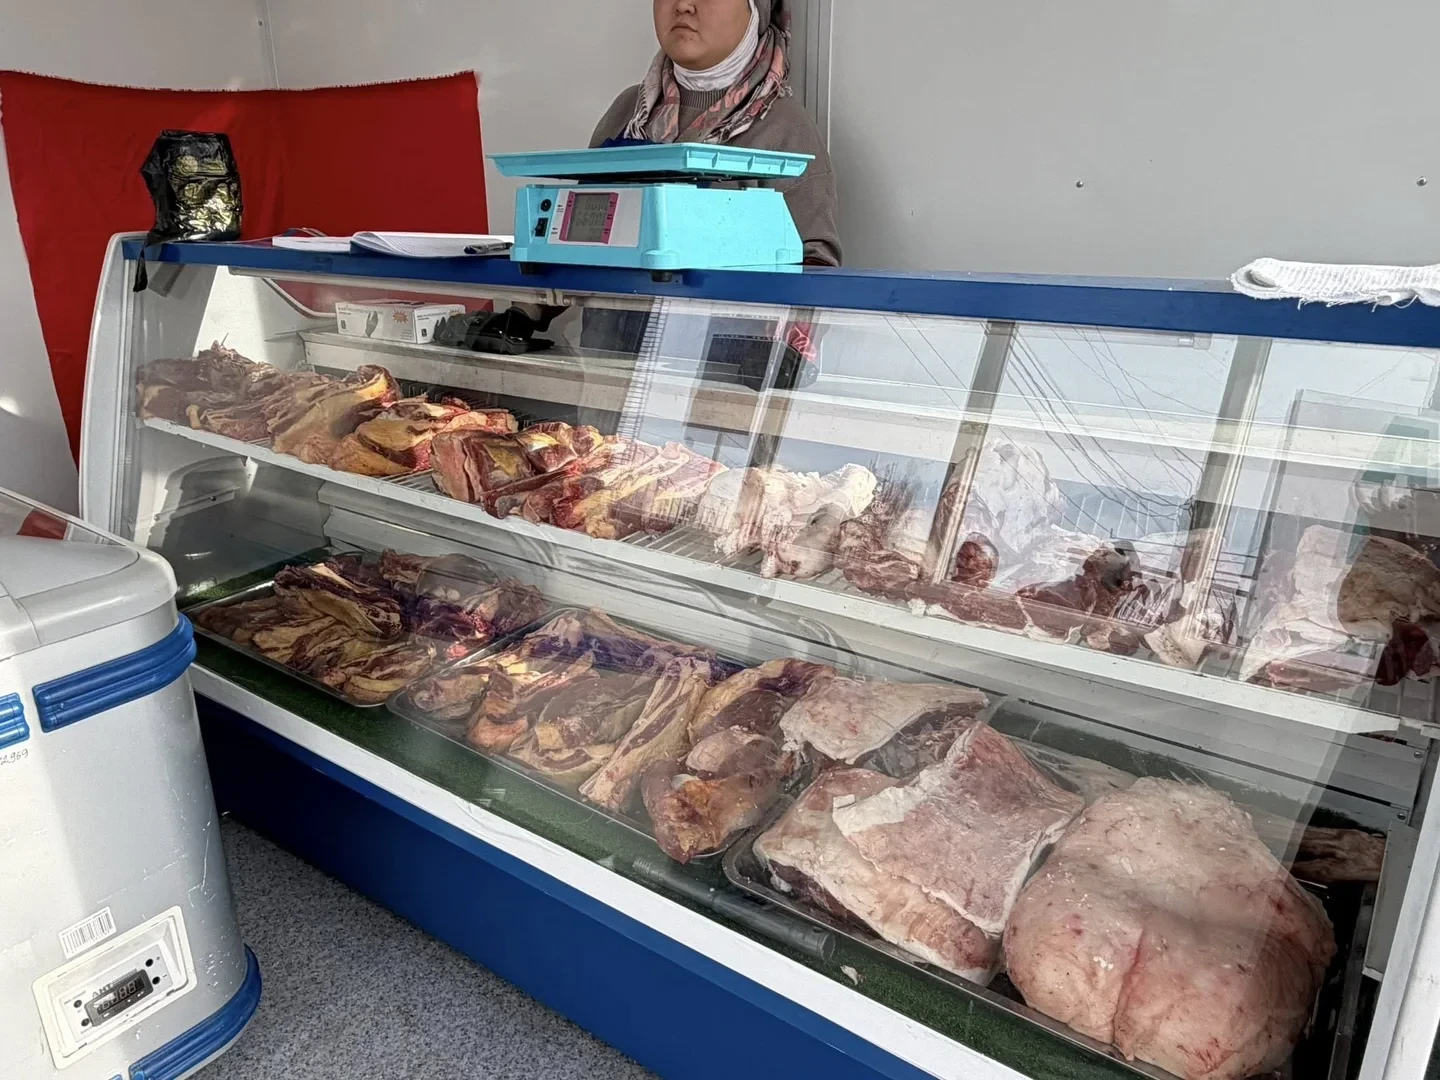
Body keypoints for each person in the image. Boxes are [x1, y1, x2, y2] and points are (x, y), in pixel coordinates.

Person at [591, 0, 841, 267]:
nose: (683, 5)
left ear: (755, 9)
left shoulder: (784, 129)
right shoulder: (628, 112)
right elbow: (579, 242)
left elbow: (815, 269)